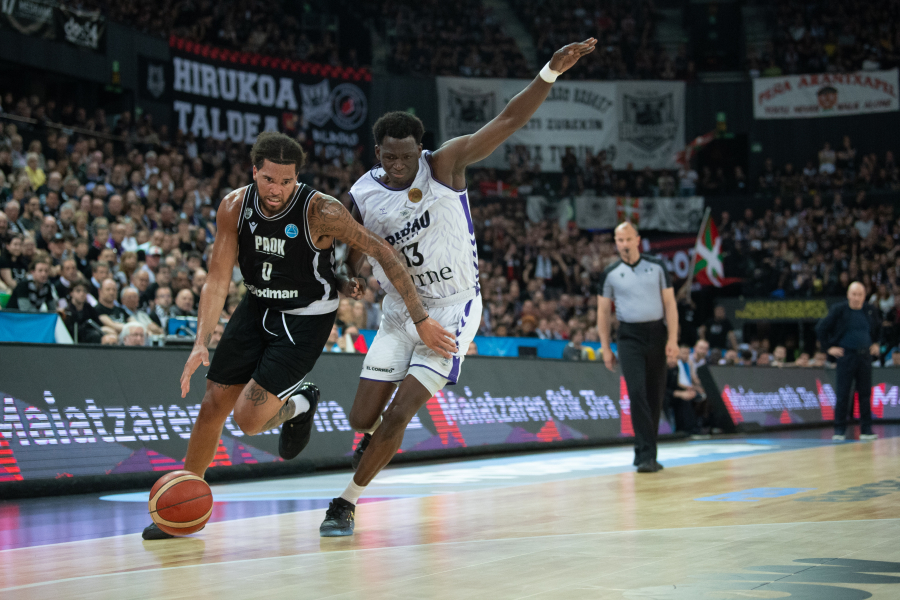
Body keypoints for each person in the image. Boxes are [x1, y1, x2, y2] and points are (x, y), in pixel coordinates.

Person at [319, 38, 598, 537]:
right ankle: (371, 442)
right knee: (363, 419)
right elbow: (356, 244)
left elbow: (507, 121)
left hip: (452, 308)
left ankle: (345, 503)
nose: (400, 165)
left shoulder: (444, 164)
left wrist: (550, 72)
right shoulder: (362, 192)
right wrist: (351, 271)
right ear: (378, 153)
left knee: (400, 414)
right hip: (399, 312)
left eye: (408, 156)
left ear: (419, 149)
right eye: (391, 157)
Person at [142, 131, 454, 540]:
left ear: (297, 178)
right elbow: (217, 280)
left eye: (287, 181)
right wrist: (201, 340)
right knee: (212, 404)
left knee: (248, 421)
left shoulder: (321, 211)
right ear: (254, 171)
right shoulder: (234, 206)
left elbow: (380, 249)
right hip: (256, 305)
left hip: (305, 319)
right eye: (269, 179)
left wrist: (420, 318)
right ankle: (183, 503)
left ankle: (301, 404)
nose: (277, 189)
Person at [596, 222, 679, 473]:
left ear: (637, 240)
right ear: (616, 242)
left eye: (628, 239)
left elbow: (670, 304)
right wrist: (605, 347)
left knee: (654, 395)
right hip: (629, 337)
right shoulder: (610, 273)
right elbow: (602, 311)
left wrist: (673, 339)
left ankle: (645, 451)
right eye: (619, 240)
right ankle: (646, 455)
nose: (624, 244)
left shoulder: (657, 267)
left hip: (656, 334)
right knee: (636, 393)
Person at [815, 282, 881, 441]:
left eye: (860, 295)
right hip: (846, 356)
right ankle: (839, 430)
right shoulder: (839, 310)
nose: (857, 298)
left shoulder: (870, 310)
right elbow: (821, 328)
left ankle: (866, 430)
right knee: (843, 393)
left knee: (865, 394)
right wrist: (828, 348)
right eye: (854, 294)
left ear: (864, 296)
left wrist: (876, 343)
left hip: (865, 356)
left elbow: (879, 328)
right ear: (848, 295)